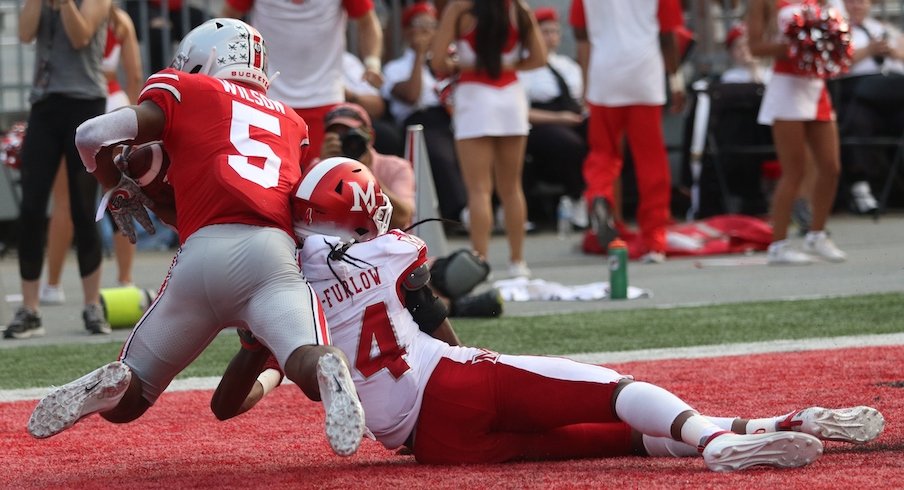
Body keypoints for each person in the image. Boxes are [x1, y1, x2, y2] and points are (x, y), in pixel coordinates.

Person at [212, 158, 885, 470]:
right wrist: (459, 348)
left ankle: (778, 422)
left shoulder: (283, 295)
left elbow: (226, 407)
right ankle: (717, 443)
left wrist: (252, 344)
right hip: (447, 383)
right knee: (615, 393)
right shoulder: (390, 250)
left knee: (618, 440)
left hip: (430, 449)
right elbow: (427, 303)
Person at [26, 19, 367, 459]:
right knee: (307, 360)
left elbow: (90, 135)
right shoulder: (292, 123)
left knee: (129, 398)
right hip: (270, 257)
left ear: (204, 60)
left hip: (200, 256)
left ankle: (115, 382)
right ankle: (325, 364)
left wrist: (116, 185)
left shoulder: (189, 90)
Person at [319, 103, 502, 317]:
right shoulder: (319, 169)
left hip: (393, 256)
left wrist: (363, 176)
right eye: (336, 136)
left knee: (465, 267)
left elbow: (403, 216)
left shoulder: (395, 167)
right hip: (345, 260)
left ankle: (428, 300)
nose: (346, 142)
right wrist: (328, 167)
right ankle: (453, 307)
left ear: (369, 136)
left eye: (351, 134)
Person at [5, 0, 113, 340]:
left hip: (86, 104)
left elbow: (80, 35)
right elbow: (24, 34)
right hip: (45, 105)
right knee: (32, 207)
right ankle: (30, 308)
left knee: (83, 207)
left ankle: (92, 304)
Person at [430, 0, 546, 279]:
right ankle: (517, 262)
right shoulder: (519, 8)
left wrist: (461, 65)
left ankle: (480, 262)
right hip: (511, 99)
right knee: (511, 187)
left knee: (479, 190)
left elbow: (437, 62)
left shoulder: (460, 9)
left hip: (474, 100)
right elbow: (540, 58)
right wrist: (510, 63)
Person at [41, 4, 144, 305]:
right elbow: (135, 74)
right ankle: (125, 280)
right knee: (120, 194)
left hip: (75, 105)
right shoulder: (120, 19)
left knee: (64, 200)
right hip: (113, 107)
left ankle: (52, 285)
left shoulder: (64, 14)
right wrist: (136, 122)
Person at [570, 0, 687, 264]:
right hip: (643, 74)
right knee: (650, 159)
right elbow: (669, 34)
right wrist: (677, 81)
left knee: (603, 152)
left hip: (604, 74)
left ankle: (599, 195)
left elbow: (579, 32)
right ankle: (654, 240)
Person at [222, 0, 383, 169]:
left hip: (325, 99)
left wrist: (373, 62)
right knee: (270, 178)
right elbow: (227, 21)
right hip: (268, 98)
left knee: (322, 180)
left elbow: (368, 22)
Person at [747, 0, 848, 265]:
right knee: (794, 170)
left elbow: (839, 34)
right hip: (786, 87)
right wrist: (798, 46)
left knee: (830, 167)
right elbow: (755, 47)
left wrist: (828, 44)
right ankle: (778, 245)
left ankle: (816, 233)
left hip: (815, 86)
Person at [382, 0, 467, 223]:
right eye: (421, 24)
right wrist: (420, 55)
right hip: (421, 121)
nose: (429, 30)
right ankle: (460, 212)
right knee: (440, 152)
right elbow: (411, 95)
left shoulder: (449, 61)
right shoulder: (395, 67)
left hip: (454, 117)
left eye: (433, 25)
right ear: (408, 31)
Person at [518, 6, 588, 230]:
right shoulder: (525, 68)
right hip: (542, 121)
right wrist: (559, 118)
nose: (551, 37)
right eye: (545, 31)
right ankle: (575, 196)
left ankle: (596, 198)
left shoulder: (568, 66)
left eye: (555, 31)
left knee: (605, 135)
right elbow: (521, 111)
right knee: (569, 144)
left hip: (573, 115)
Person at [837, 0, 904, 214]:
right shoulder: (838, 30)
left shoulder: (884, 29)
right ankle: (861, 188)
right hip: (855, 91)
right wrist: (867, 51)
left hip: (891, 90)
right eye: (851, 1)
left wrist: (893, 52)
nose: (857, 5)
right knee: (857, 122)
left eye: (861, 1)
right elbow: (835, 65)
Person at [342, 52, 403, 157]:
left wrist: (349, 96)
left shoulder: (349, 61)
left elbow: (378, 106)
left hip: (364, 120)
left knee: (388, 137)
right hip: (336, 122)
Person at [124, 0, 207, 73]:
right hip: (142, 5)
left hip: (176, 8)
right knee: (160, 32)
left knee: (212, 26)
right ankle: (158, 82)